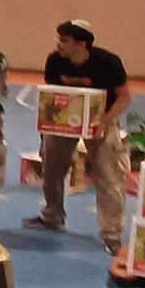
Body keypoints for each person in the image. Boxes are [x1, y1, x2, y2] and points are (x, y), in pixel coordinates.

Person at [25, 20, 132, 254]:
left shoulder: (108, 63)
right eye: (59, 39)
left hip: (101, 120)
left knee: (108, 175)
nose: (58, 44)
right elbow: (52, 96)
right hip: (64, 122)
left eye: (64, 40)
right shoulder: (55, 61)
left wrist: (105, 121)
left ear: (81, 44)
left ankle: (112, 234)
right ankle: (53, 215)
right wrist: (48, 128)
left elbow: (124, 97)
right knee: (51, 168)